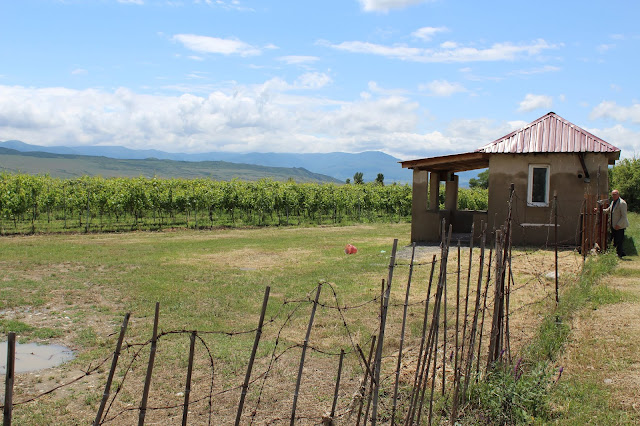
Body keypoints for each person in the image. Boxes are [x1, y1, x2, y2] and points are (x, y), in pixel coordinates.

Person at [602, 189, 629, 258]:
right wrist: (600, 210)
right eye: (612, 194)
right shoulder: (613, 202)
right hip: (613, 225)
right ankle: (617, 253)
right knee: (614, 240)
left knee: (619, 240)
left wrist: (618, 224)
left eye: (615, 194)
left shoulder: (622, 203)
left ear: (618, 195)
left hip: (619, 226)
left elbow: (624, 216)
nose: (613, 196)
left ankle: (619, 255)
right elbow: (608, 210)